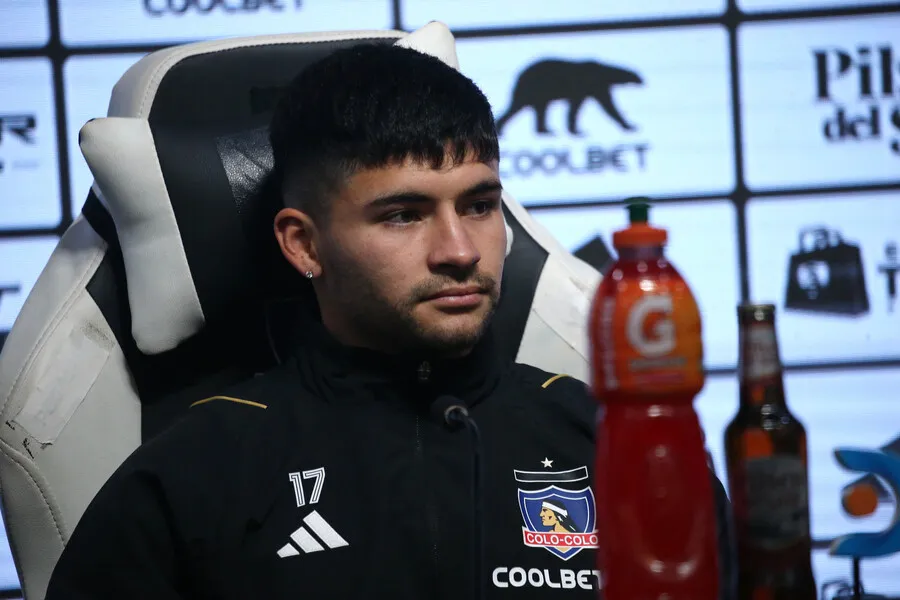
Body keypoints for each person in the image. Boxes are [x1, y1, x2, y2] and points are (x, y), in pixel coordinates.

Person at [46, 43, 733, 599]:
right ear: (304, 245)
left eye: (478, 204)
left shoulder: (615, 444)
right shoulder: (198, 471)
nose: (459, 251)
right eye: (403, 215)